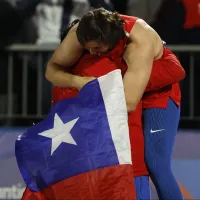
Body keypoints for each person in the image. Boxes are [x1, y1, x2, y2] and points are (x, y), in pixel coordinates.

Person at [45, 8, 186, 200]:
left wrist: (92, 95)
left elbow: (128, 102)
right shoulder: (82, 32)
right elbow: (52, 71)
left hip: (156, 91)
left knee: (156, 163)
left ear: (111, 42)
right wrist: (78, 82)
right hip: (124, 83)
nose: (90, 53)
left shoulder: (138, 42)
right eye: (87, 48)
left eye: (97, 49)